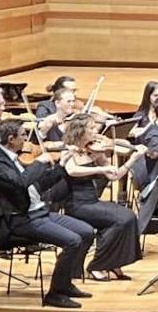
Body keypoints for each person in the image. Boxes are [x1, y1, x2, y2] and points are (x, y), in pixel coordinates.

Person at [0, 119, 95, 309]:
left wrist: (62, 165)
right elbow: (20, 183)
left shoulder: (13, 157)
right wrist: (38, 163)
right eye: (23, 135)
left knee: (86, 231)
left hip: (39, 212)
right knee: (72, 241)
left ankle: (65, 283)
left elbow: (37, 186)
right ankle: (55, 294)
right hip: (20, 219)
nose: (26, 139)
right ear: (11, 139)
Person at [61, 115, 145, 281]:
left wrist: (133, 159)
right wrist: (98, 169)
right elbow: (72, 171)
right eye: (91, 128)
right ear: (80, 131)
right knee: (121, 220)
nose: (96, 131)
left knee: (128, 217)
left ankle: (112, 263)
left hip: (92, 201)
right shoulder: (69, 149)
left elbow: (114, 176)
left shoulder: (95, 151)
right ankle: (98, 266)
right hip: (77, 204)